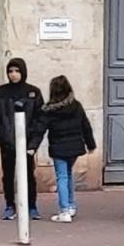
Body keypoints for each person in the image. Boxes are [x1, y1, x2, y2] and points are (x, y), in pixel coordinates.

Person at [0, 57, 48, 221]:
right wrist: (1, 132)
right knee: (8, 175)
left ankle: (31, 205)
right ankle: (9, 205)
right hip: (7, 142)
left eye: (17, 71)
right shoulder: (0, 92)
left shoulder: (33, 92)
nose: (13, 75)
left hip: (27, 142)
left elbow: (41, 119)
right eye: (10, 71)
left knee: (28, 174)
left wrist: (33, 143)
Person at [43, 74, 95, 223]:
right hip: (74, 146)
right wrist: (90, 144)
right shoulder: (76, 106)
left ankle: (64, 210)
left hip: (58, 146)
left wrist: (31, 145)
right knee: (68, 175)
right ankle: (71, 206)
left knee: (62, 176)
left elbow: (40, 128)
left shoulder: (49, 109)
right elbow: (85, 125)